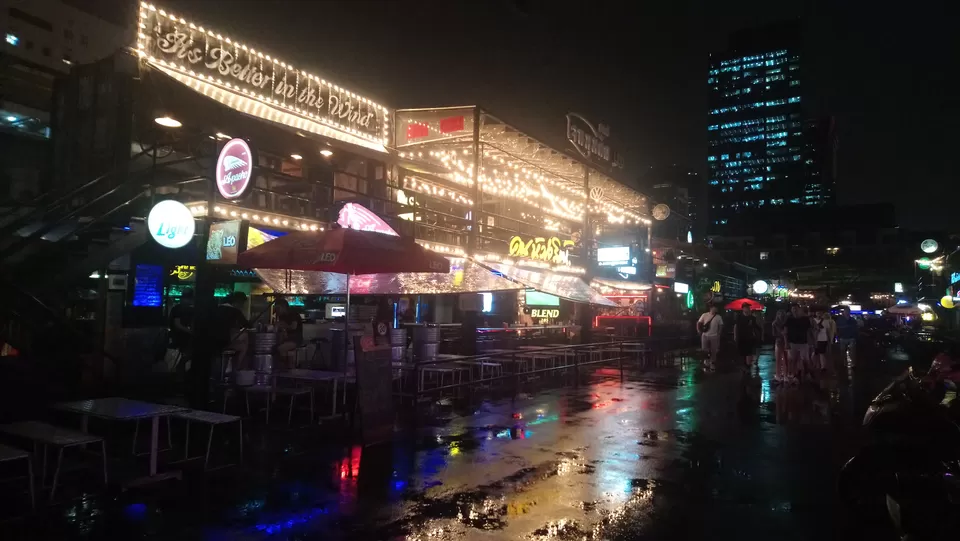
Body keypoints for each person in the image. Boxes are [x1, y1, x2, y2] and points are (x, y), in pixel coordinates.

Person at [214, 292, 250, 370]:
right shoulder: (235, 311)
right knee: (244, 343)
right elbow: (246, 324)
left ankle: (228, 367)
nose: (242, 306)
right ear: (239, 302)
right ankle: (236, 368)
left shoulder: (217, 308)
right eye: (242, 303)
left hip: (212, 340)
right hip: (224, 341)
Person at [783, 303, 812, 383]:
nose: (795, 310)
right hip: (792, 342)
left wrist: (811, 342)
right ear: (791, 310)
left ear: (799, 309)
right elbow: (785, 332)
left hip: (804, 342)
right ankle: (795, 374)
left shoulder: (805, 319)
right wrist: (786, 343)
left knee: (805, 360)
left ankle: (806, 373)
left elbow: (809, 331)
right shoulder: (789, 319)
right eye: (793, 309)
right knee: (793, 360)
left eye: (796, 308)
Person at [168, 288, 194, 374]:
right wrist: (190, 332)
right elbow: (177, 324)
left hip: (179, 336)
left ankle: (181, 371)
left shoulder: (178, 308)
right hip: (181, 337)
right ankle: (181, 370)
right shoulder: (179, 309)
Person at [275, 298, 303, 367]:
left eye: (278, 308)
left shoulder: (293, 313)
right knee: (275, 347)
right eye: (276, 309)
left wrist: (283, 325)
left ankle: (286, 367)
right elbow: (282, 329)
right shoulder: (281, 316)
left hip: (296, 339)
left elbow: (294, 327)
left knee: (281, 348)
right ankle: (285, 366)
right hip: (288, 338)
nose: (276, 311)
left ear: (284, 307)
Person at [734, 303, 762, 371]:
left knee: (749, 353)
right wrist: (735, 335)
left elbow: (756, 327)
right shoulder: (739, 317)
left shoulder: (752, 318)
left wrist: (759, 333)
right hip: (741, 337)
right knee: (742, 353)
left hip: (750, 337)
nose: (748, 309)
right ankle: (744, 366)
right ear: (743, 309)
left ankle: (748, 366)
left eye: (749, 308)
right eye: (746, 308)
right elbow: (736, 326)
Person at [697, 304, 723, 371]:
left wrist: (719, 333)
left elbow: (721, 325)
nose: (716, 309)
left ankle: (712, 363)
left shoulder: (718, 317)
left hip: (714, 335)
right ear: (711, 308)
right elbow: (699, 323)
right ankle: (706, 361)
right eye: (714, 308)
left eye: (716, 308)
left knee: (714, 350)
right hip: (705, 335)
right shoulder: (704, 315)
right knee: (704, 349)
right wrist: (699, 330)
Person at [771, 309, 788, 383]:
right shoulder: (777, 323)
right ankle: (784, 375)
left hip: (781, 341)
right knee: (784, 359)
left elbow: (774, 334)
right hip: (782, 341)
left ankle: (780, 375)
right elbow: (774, 334)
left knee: (781, 359)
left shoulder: (775, 323)